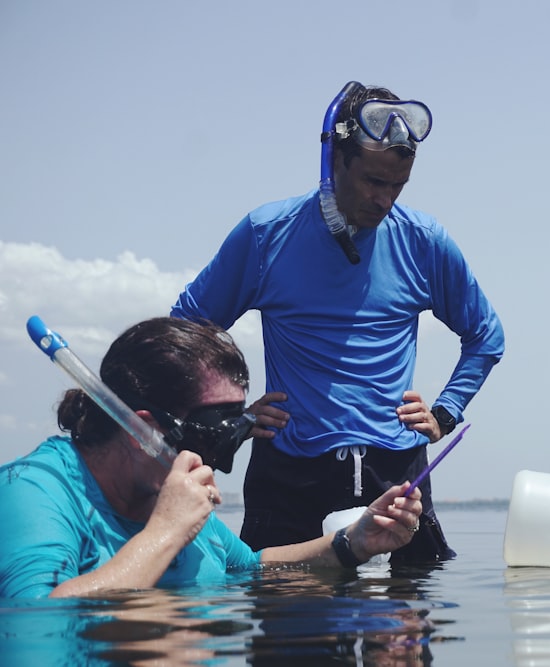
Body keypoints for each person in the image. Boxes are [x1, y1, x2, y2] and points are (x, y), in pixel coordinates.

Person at [171, 81, 504, 562]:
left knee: (407, 626)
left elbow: (485, 335)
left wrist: (446, 412)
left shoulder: (423, 241)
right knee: (285, 621)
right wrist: (231, 418)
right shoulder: (267, 235)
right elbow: (183, 333)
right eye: (373, 181)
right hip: (290, 474)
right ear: (335, 160)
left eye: (397, 186)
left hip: (395, 471)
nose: (384, 200)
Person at [0, 318, 423, 598]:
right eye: (212, 437)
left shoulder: (161, 491)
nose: (216, 463)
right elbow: (38, 620)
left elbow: (251, 568)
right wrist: (166, 531)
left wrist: (353, 543)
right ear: (145, 432)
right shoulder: (34, 493)